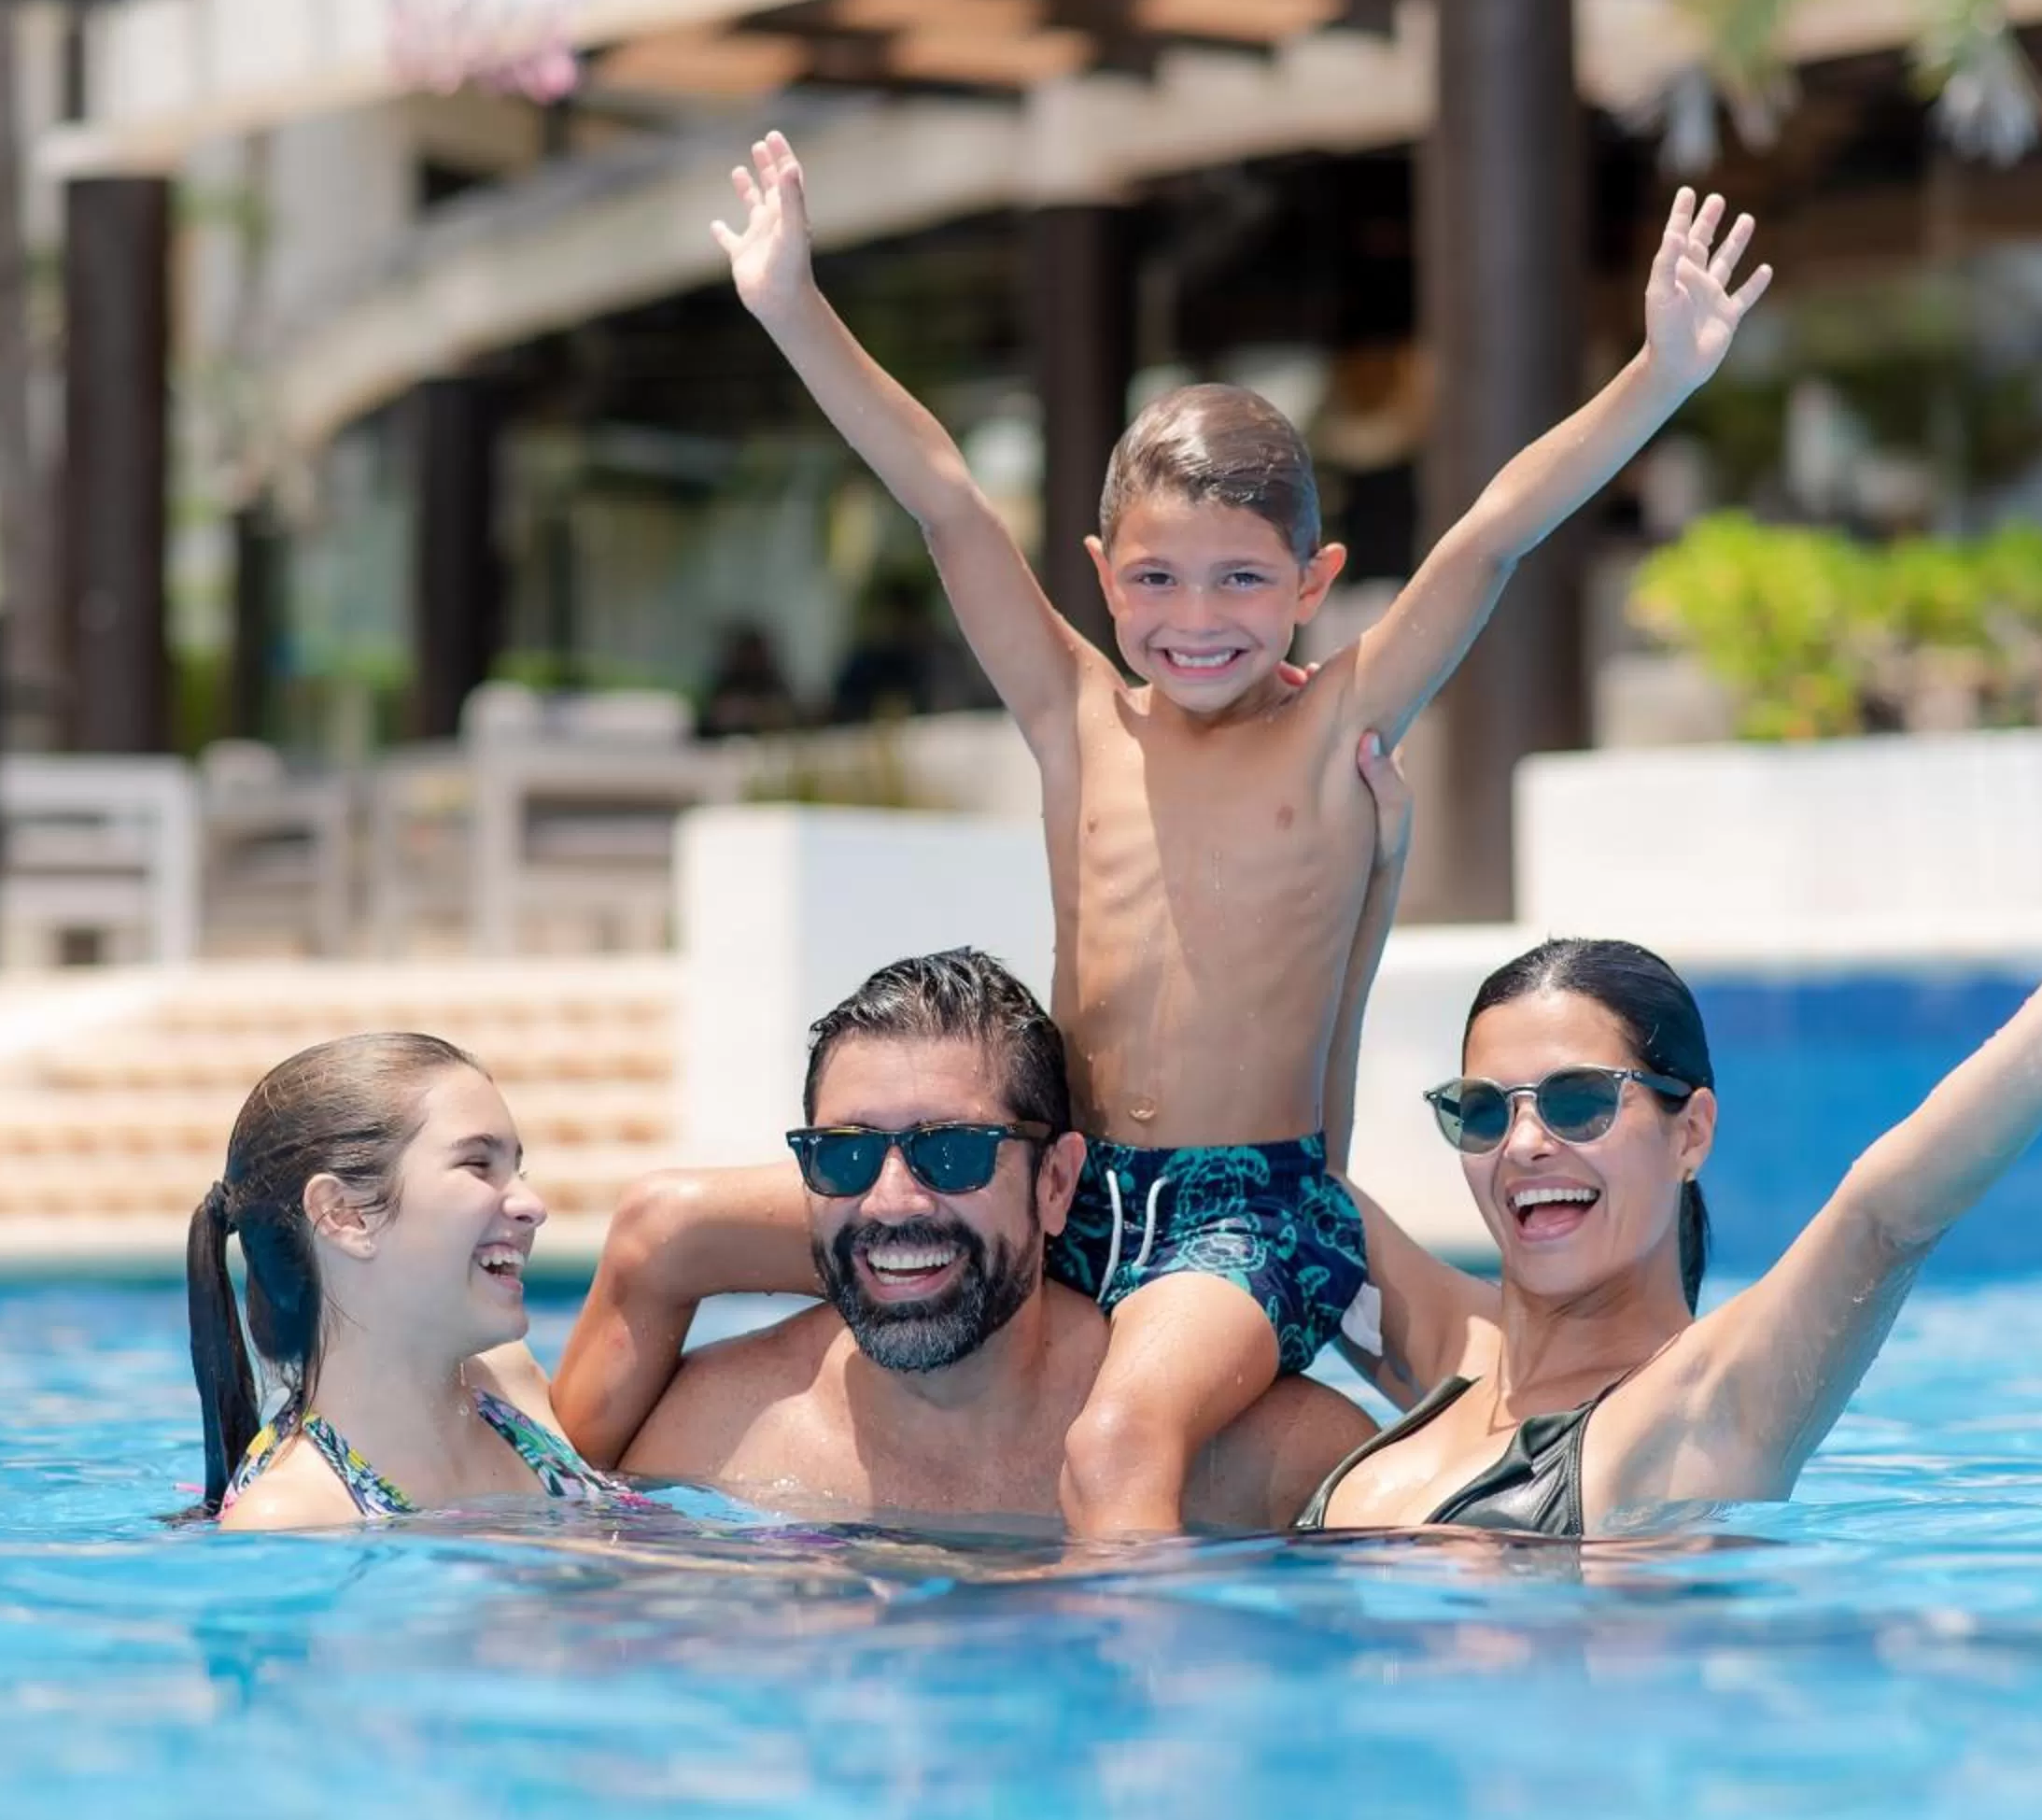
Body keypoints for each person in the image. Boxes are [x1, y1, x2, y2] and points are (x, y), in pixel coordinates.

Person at [706, 129, 1773, 1533]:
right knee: (667, 1234)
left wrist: (1663, 374)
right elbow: (946, 496)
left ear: (1313, 583)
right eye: (1153, 577)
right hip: (1066, 1181)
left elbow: (1493, 536)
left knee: (1119, 1439)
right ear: (1098, 575)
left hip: (1251, 1210)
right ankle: (542, 1525)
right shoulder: (1075, 715)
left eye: (1238, 580)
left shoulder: (1335, 725)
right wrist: (789, 300)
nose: (1193, 616)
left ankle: (1139, 1726)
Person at [1301, 752, 2042, 1535]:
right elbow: (1285, 1167)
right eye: (1483, 1110)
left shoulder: (1700, 1401)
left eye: (1579, 1102)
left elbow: (1888, 1213)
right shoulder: (1450, 1357)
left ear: (1692, 1132)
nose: (1525, 1141)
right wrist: (1376, 869)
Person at [552, 949, 1374, 1529]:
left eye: (953, 1153)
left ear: (1055, 1183)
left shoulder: (1259, 1465)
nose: (893, 1200)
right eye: (845, 1154)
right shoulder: (711, 1440)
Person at [185, 1033, 642, 1530]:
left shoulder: (511, 1383)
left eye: (518, 1170)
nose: (533, 1205)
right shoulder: (296, 1515)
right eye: (477, 1165)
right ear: (345, 1216)